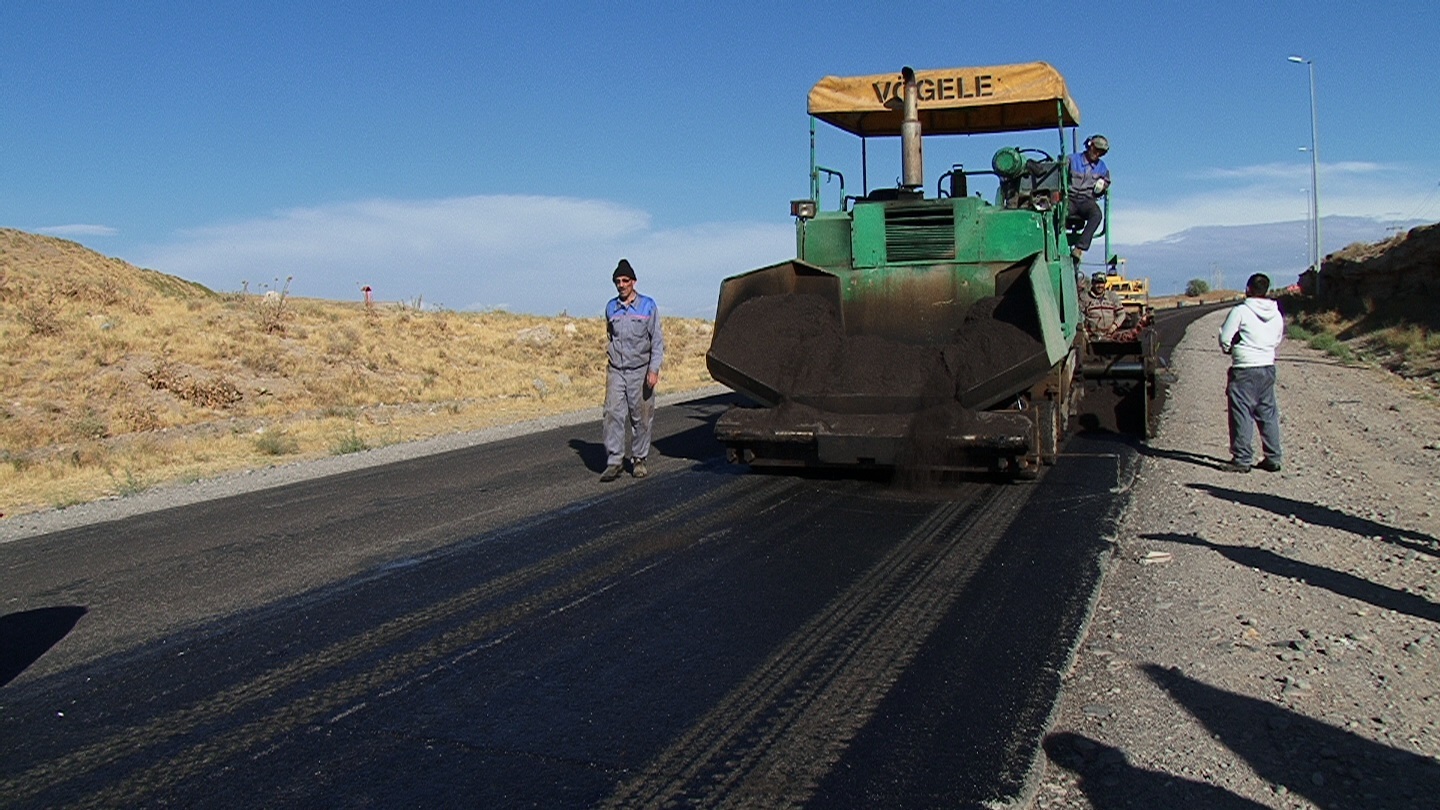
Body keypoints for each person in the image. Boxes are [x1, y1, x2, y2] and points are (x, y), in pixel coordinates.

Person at [601, 259, 664, 482]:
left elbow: (657, 341)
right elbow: (610, 336)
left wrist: (653, 369)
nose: (621, 285)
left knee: (642, 417)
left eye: (625, 280)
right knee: (612, 414)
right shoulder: (611, 308)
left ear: (633, 282)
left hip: (640, 370)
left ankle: (639, 459)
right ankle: (615, 461)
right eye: (617, 281)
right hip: (617, 370)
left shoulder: (648, 306)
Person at [1218, 273, 1284, 473]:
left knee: (1241, 412)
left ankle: (1242, 458)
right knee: (1267, 412)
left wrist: (1230, 347)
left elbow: (1225, 338)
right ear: (1266, 290)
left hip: (1244, 368)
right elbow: (1277, 338)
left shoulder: (1241, 311)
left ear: (1248, 289)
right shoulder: (1276, 313)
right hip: (1267, 366)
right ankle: (1273, 457)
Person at [1068, 134, 1111, 264]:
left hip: (1086, 200)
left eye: (1101, 152)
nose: (1097, 154)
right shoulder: (1071, 160)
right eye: (1096, 150)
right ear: (1089, 146)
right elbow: (1057, 174)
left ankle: (1079, 248)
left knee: (1096, 214)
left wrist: (1103, 185)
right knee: (1056, 213)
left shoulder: (1101, 167)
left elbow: (1107, 181)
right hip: (1069, 198)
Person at [1082, 271, 1127, 340]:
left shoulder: (1112, 296)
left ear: (1105, 283)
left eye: (1101, 283)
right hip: (1092, 337)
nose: (1099, 286)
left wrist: (1114, 326)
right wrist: (1085, 332)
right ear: (1092, 283)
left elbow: (1122, 314)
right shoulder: (1085, 298)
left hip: (1111, 335)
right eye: (1097, 283)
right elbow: (1080, 317)